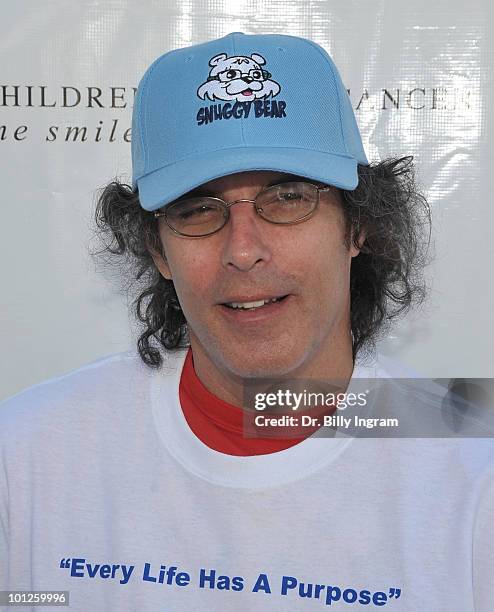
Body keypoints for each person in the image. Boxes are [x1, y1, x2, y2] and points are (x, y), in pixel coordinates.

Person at [0, 32, 492, 611]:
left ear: (357, 226)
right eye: (196, 210)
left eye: (287, 198)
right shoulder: (26, 454)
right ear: (157, 249)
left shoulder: (473, 475)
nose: (243, 249)